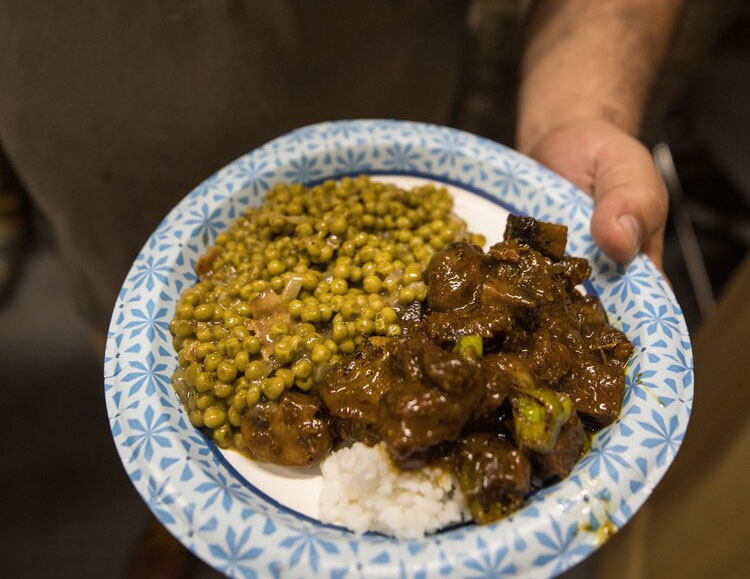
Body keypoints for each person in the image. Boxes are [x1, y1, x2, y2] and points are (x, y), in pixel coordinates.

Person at [0, 0, 684, 577]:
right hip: (81, 134)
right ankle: (175, 524)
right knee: (119, 324)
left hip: (390, 77)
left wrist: (576, 108)